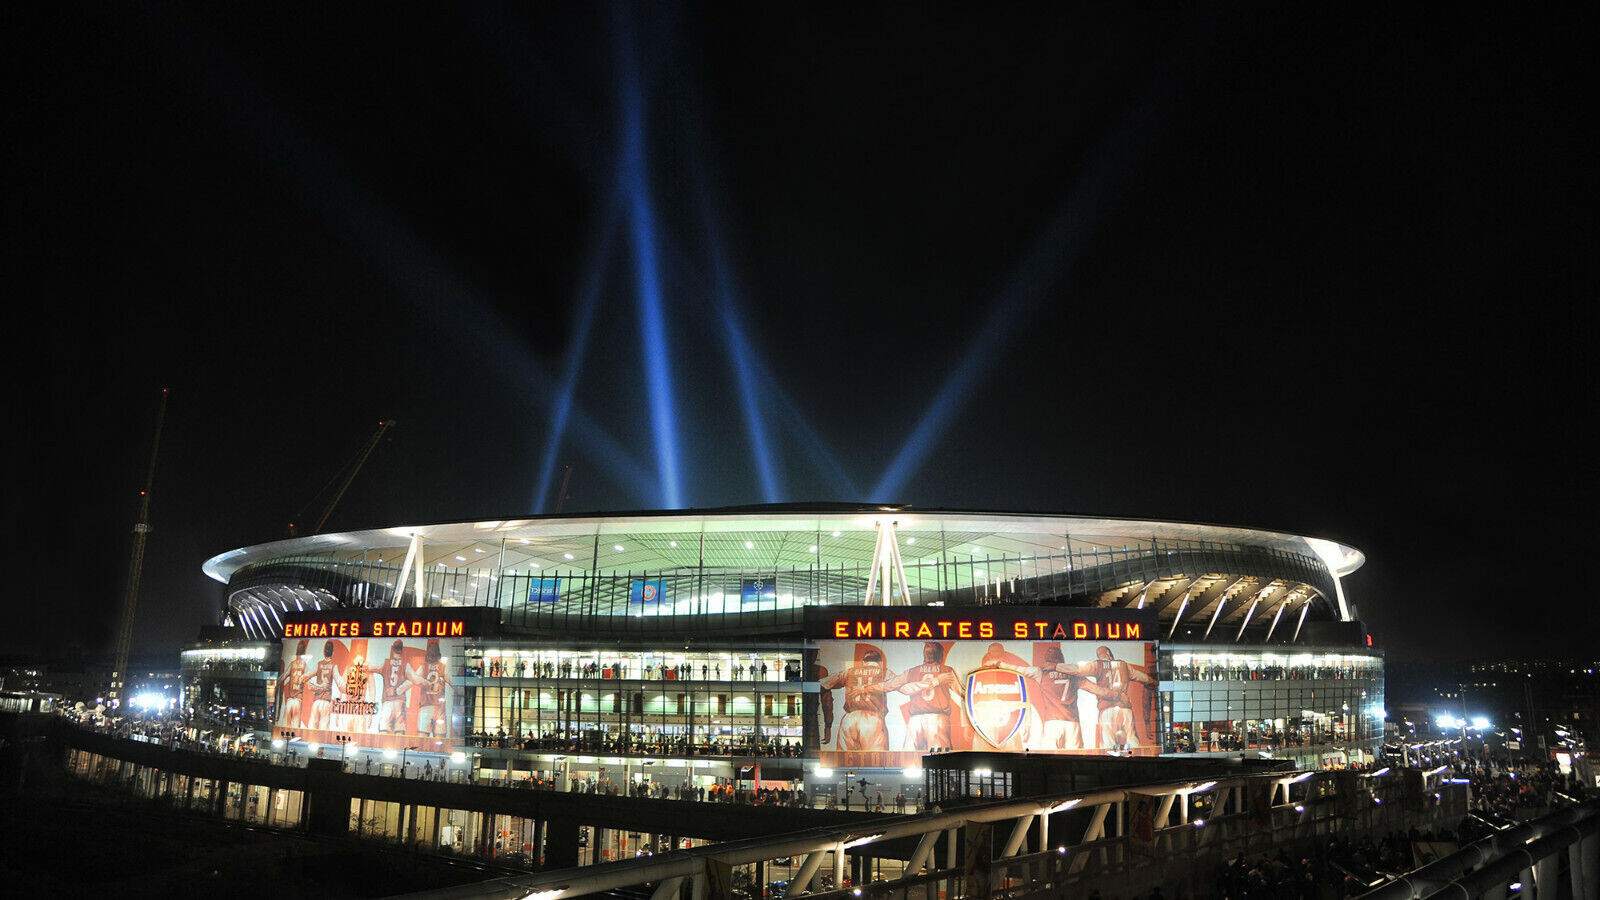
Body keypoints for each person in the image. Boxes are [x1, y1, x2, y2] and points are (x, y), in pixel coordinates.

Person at [872, 642, 960, 751]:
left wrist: (867, 688)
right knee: (939, 759)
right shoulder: (947, 671)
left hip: (915, 720)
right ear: (940, 655)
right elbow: (962, 692)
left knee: (908, 756)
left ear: (924, 655)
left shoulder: (911, 671)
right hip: (937, 720)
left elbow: (889, 685)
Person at [818, 648, 892, 750]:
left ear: (863, 662)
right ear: (879, 662)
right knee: (874, 758)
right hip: (873, 719)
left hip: (849, 719)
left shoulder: (849, 672)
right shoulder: (885, 672)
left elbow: (822, 684)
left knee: (844, 758)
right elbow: (901, 684)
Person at [1088, 646, 1154, 750]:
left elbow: (1079, 670)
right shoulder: (1124, 665)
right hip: (1125, 708)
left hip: (1107, 709)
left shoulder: (1097, 665)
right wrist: (1154, 681)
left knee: (1108, 744)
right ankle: (1137, 758)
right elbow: (1143, 677)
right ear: (1109, 653)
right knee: (1131, 739)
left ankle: (1111, 759)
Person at [416, 639, 452, 738]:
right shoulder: (443, 667)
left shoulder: (423, 667)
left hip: (425, 706)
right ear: (439, 655)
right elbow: (453, 683)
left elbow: (412, 680)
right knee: (439, 741)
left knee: (422, 741)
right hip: (439, 708)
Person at [377, 640, 414, 734]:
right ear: (402, 650)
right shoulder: (405, 664)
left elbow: (372, 668)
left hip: (387, 702)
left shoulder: (385, 663)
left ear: (392, 649)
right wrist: (399, 690)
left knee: (384, 731)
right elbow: (414, 680)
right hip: (399, 702)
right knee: (399, 731)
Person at [306, 640, 338, 730]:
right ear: (333, 652)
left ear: (324, 651)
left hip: (316, 700)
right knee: (323, 729)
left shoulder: (319, 664)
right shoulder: (333, 666)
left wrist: (315, 687)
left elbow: (306, 676)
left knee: (312, 728)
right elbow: (340, 684)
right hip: (326, 701)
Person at [278, 639, 310, 729]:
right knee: (294, 728)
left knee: (285, 727)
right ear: (304, 651)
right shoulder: (305, 665)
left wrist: (274, 684)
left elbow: (282, 677)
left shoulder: (292, 664)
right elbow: (310, 681)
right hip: (297, 700)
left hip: (291, 699)